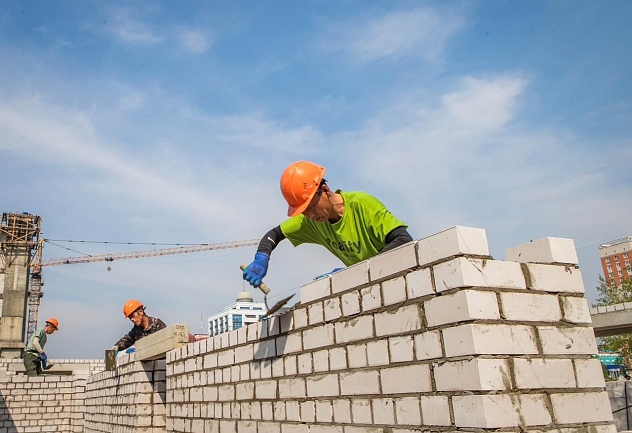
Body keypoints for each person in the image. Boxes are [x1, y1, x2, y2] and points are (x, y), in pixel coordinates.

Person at [243, 160, 413, 288]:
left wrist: (354, 272)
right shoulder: (310, 222)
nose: (310, 215)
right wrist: (261, 258)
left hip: (397, 279)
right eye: (303, 211)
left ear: (324, 190)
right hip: (369, 287)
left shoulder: (362, 204)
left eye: (311, 207)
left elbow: (403, 240)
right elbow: (274, 234)